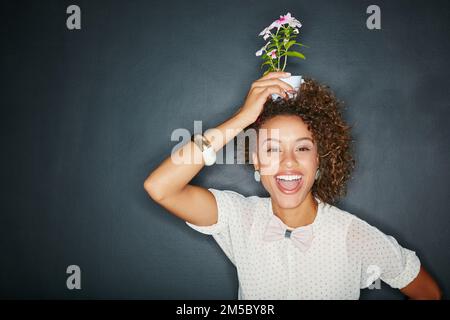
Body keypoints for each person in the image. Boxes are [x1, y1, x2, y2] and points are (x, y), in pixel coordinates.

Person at [144, 71, 441, 299]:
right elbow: (161, 187)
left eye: (302, 149)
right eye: (272, 149)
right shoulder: (238, 217)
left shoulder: (354, 236)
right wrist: (242, 118)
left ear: (319, 160)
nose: (288, 163)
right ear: (256, 161)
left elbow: (429, 293)